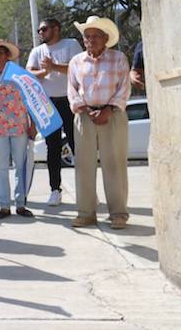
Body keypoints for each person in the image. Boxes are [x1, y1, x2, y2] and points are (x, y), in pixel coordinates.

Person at [68, 16, 131, 230]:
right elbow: (72, 90)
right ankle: (86, 213)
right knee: (83, 166)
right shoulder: (76, 62)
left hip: (112, 115)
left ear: (105, 38)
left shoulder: (118, 58)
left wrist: (108, 109)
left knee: (114, 164)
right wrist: (85, 109)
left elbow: (124, 87)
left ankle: (118, 214)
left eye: (96, 36)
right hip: (84, 116)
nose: (91, 40)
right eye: (87, 36)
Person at [26, 18, 83, 206]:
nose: (40, 33)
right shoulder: (37, 51)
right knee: (53, 148)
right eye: (39, 30)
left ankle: (86, 190)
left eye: (44, 29)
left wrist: (54, 67)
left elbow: (79, 68)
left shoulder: (71, 44)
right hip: (47, 104)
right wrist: (44, 71)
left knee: (78, 146)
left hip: (70, 101)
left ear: (56, 29)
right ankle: (55, 190)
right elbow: (29, 74)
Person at [0, 39, 37, 219]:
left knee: (21, 166)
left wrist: (33, 125)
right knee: (1, 168)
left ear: (7, 55)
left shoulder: (19, 76)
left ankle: (21, 204)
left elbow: (30, 102)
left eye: (0, 53)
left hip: (19, 125)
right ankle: (4, 205)